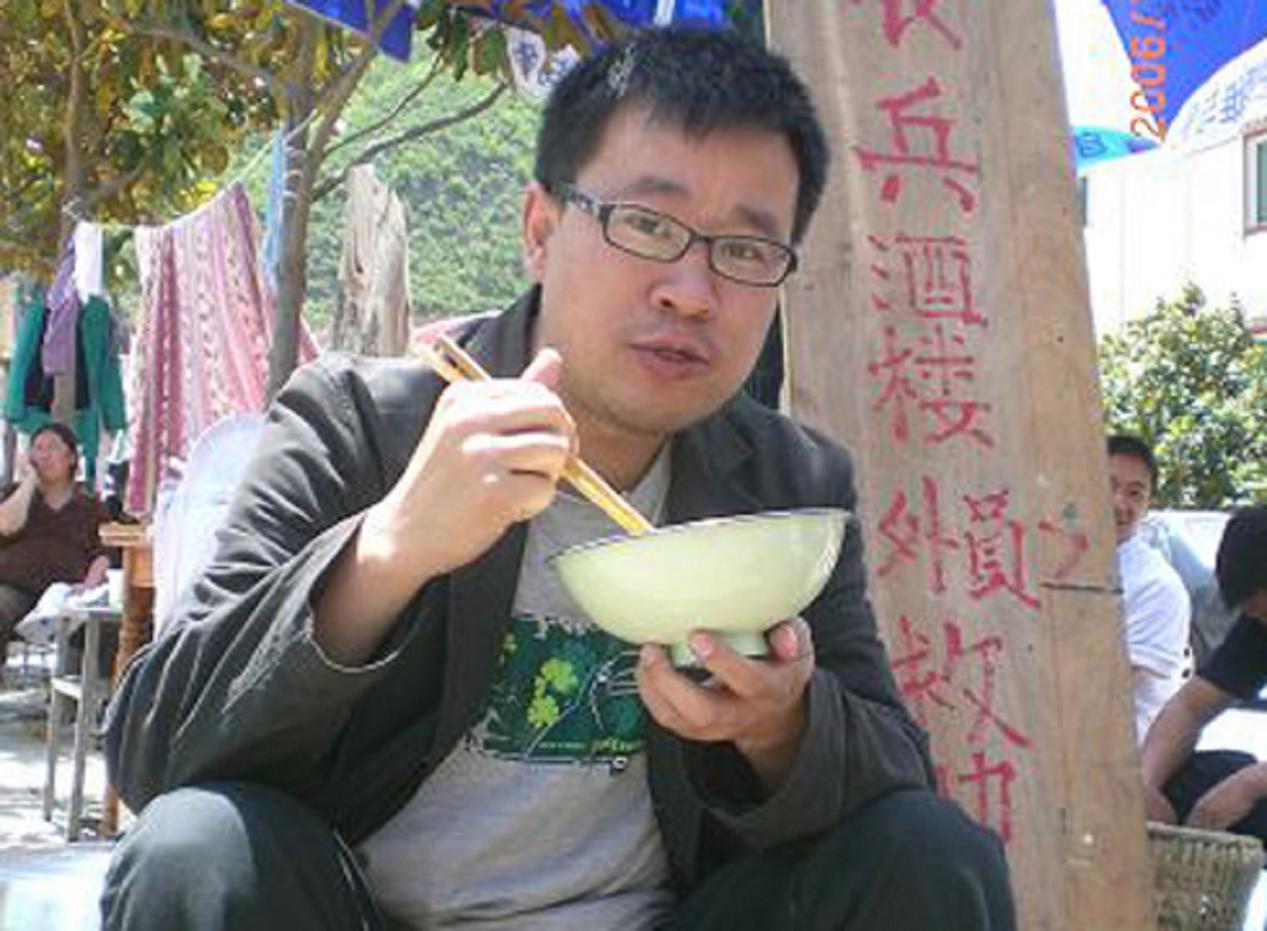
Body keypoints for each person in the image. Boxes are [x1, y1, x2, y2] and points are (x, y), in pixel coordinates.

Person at [102, 29, 1015, 931]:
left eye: (744, 250)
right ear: (540, 230)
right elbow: (154, 744)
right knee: (195, 850)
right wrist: (389, 549)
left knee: (927, 853)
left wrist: (778, 726)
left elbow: (894, 771)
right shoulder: (360, 425)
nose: (691, 292)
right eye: (647, 225)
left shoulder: (785, 483)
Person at [1141, 505, 1267, 848]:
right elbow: (1190, 707)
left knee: (1242, 790)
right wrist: (1146, 785)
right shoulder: (1258, 625)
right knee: (1188, 781)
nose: (1259, 620)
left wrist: (1250, 785)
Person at [0, 422, 110, 661]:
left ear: (71, 457)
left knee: (98, 629)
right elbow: (5, 525)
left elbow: (102, 554)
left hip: (66, 594)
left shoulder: (90, 506)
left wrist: (88, 587)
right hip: (16, 588)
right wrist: (30, 480)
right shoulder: (14, 495)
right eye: (38, 448)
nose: (44, 455)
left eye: (52, 447)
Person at [1107, 434, 1191, 743]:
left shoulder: (1156, 585)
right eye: (1107, 486)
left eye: (1135, 493)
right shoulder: (1049, 564)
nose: (1119, 503)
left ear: (1148, 503)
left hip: (1119, 757)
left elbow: (1101, 686)